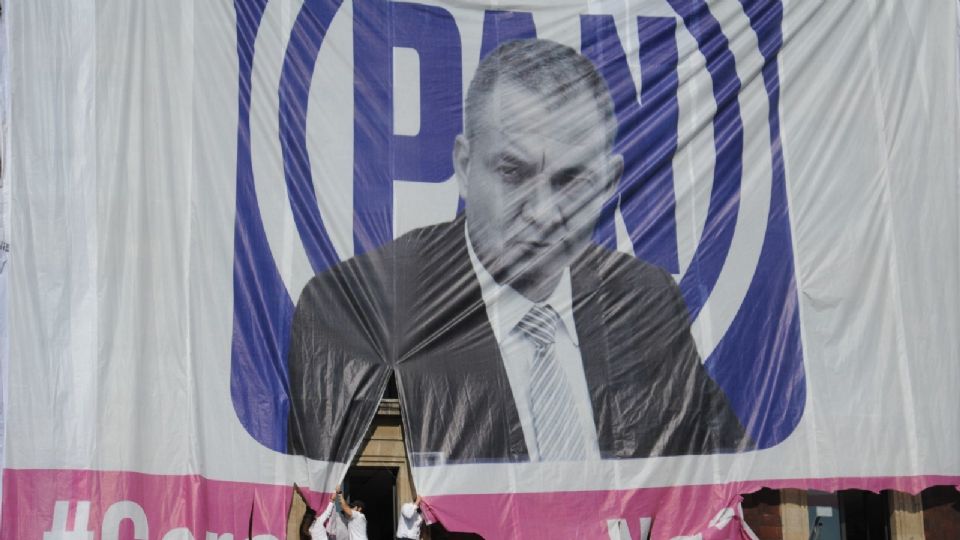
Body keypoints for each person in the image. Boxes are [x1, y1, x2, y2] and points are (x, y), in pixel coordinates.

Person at [287, 39, 752, 465]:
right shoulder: (354, 307)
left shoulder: (646, 300)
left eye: (571, 181)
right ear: (465, 167)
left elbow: (731, 459)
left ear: (609, 183)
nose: (545, 213)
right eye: (513, 172)